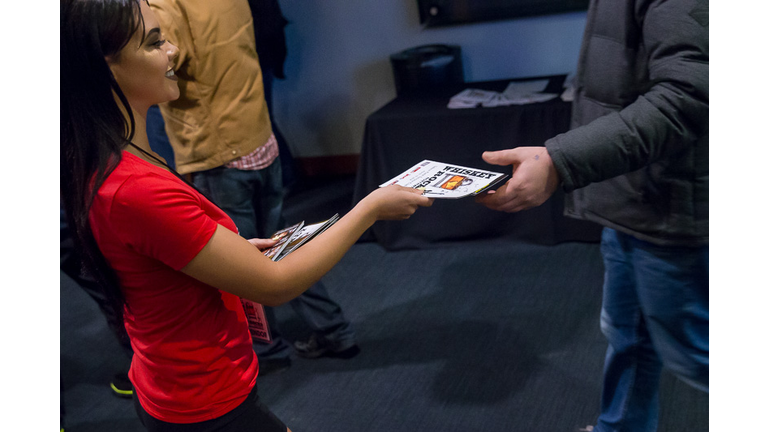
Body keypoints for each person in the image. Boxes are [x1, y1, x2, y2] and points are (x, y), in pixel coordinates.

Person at [60, 1, 432, 431]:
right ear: (104, 68)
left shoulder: (109, 160)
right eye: (154, 42)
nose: (173, 51)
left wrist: (218, 250)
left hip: (183, 383)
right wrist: (371, 207)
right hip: (203, 397)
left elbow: (148, 259)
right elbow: (276, 286)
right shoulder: (135, 186)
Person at [476, 1, 708, 431]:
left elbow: (689, 95)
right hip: (633, 198)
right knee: (629, 336)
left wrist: (561, 162)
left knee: (693, 354)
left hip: (673, 206)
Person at [147, 0, 361, 373]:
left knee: (241, 264)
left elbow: (164, 64)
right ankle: (335, 331)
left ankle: (266, 350)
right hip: (260, 136)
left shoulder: (164, 5)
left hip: (219, 152)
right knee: (281, 247)